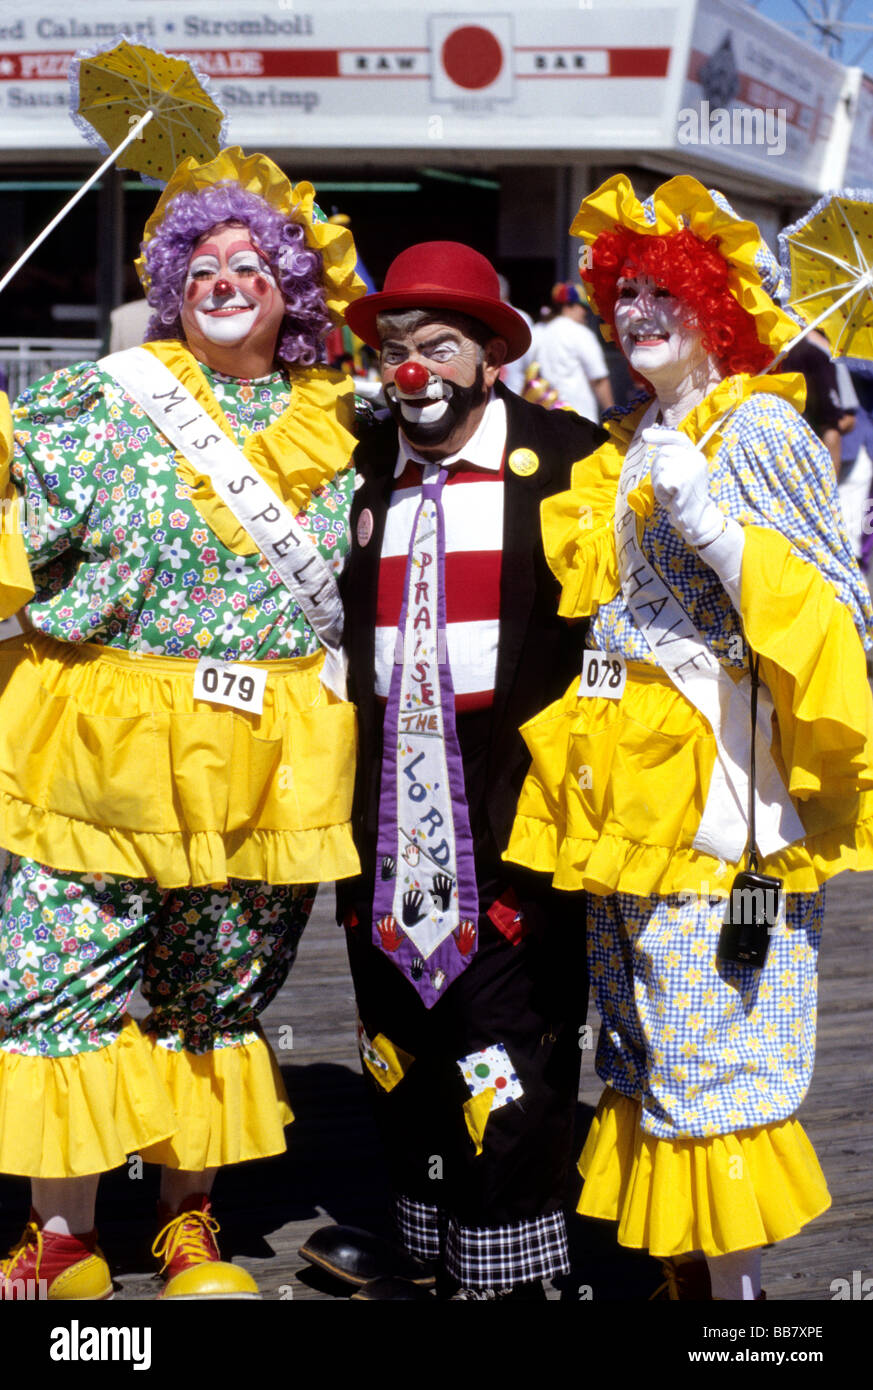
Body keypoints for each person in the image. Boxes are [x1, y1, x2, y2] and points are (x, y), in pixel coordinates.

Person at [0, 146, 364, 1300]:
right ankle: (61, 1238)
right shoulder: (107, 398)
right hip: (103, 749)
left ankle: (186, 1227)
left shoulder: (339, 426)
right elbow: (16, 488)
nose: (222, 277)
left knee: (219, 987)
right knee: (60, 978)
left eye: (249, 262)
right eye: (199, 260)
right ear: (169, 279)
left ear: (290, 290)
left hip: (259, 757)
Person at [505, 175, 873, 1300]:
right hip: (622, 797)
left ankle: (742, 1312)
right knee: (649, 1035)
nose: (639, 310)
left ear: (719, 302)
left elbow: (841, 615)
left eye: (669, 289)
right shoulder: (641, 436)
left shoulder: (760, 424)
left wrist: (717, 530)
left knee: (718, 1040)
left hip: (724, 802)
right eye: (628, 291)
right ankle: (690, 1287)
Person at [305, 241, 601, 1300]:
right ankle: (424, 1239)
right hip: (385, 780)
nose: (413, 369)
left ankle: (512, 1264)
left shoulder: (572, 459)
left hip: (507, 781)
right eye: (395, 350)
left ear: (490, 356)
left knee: (505, 1032)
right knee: (397, 1021)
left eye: (438, 346)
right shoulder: (358, 465)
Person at [533, 282, 613, 421]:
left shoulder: (538, 331)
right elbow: (599, 379)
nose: (586, 312)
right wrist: (613, 416)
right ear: (568, 306)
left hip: (546, 418)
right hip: (579, 419)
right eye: (583, 307)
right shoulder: (581, 333)